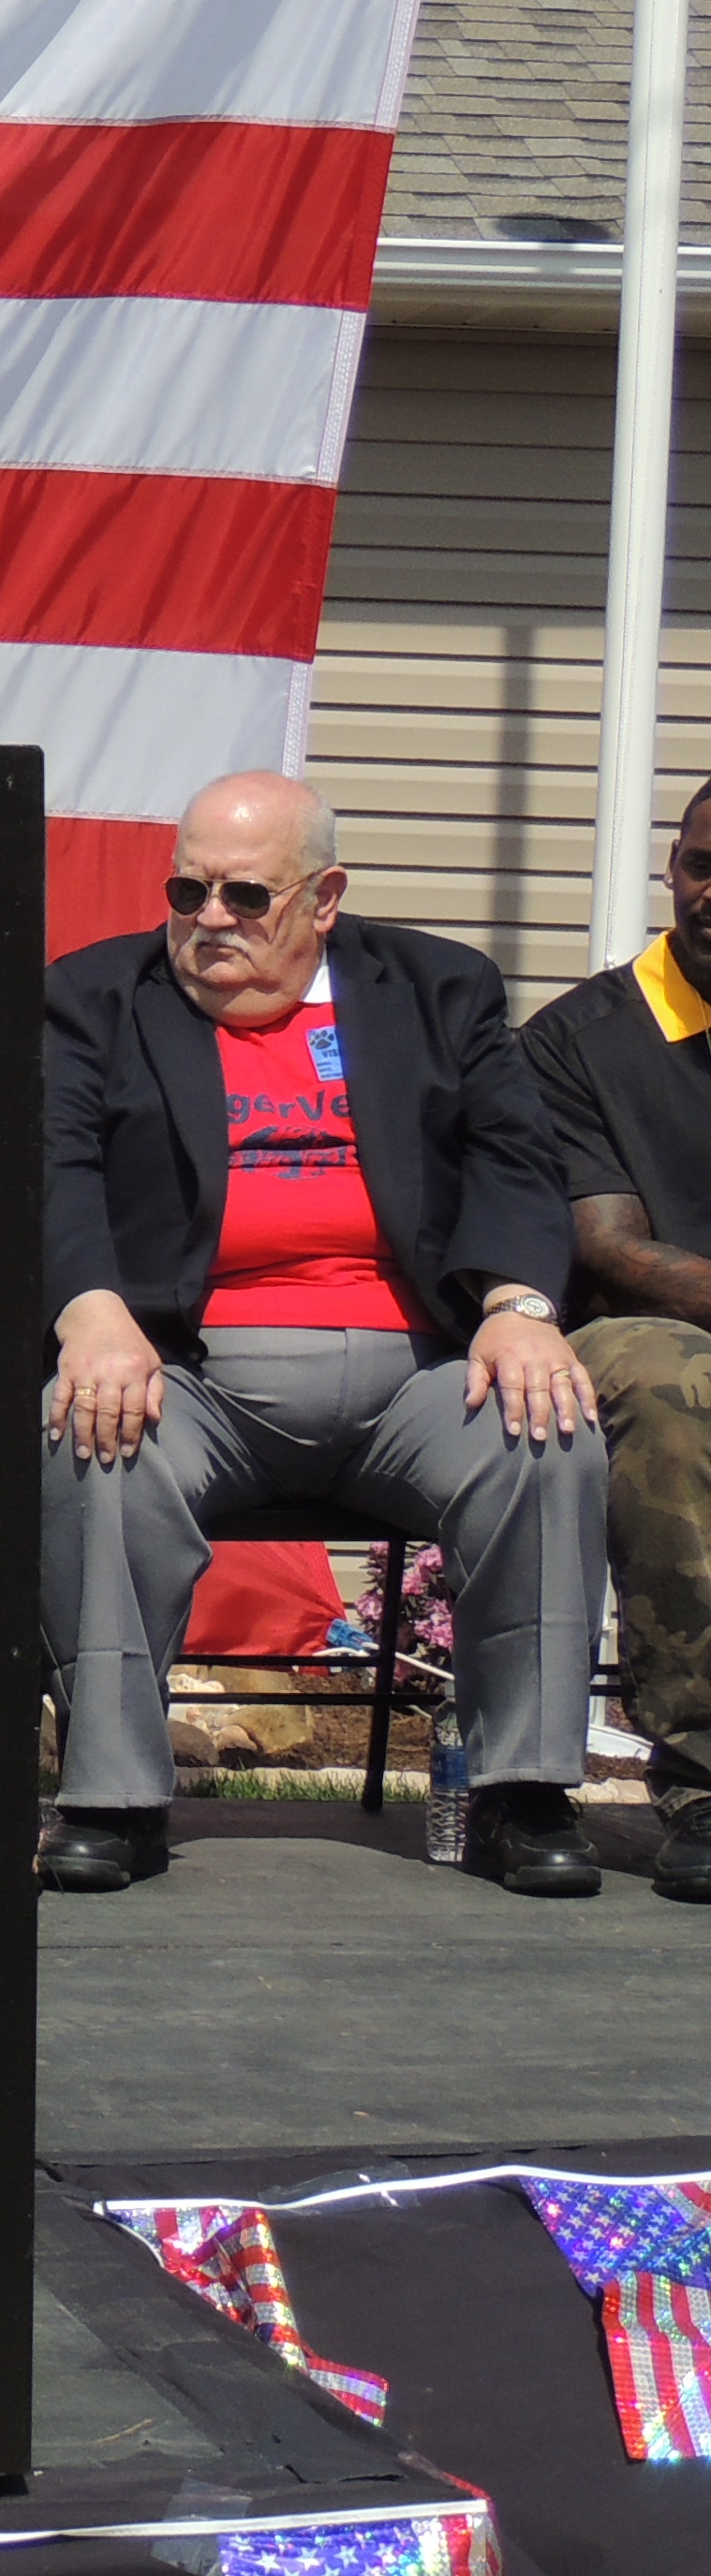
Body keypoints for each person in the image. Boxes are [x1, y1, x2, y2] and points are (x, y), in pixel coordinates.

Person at [40, 771, 605, 1896]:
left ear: (325, 896)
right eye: (186, 888)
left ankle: (522, 1794)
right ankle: (112, 1796)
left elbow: (516, 1158)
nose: (209, 920)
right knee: (92, 1442)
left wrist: (519, 1307)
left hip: (418, 1373)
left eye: (246, 895)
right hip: (188, 1372)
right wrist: (91, 1308)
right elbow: (50, 1162)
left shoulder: (438, 990)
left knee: (548, 1435)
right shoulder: (95, 997)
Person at [516, 773, 711, 1907]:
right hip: (634, 1338)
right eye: (701, 864)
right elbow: (609, 1245)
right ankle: (699, 1776)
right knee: (683, 1383)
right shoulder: (582, 1037)